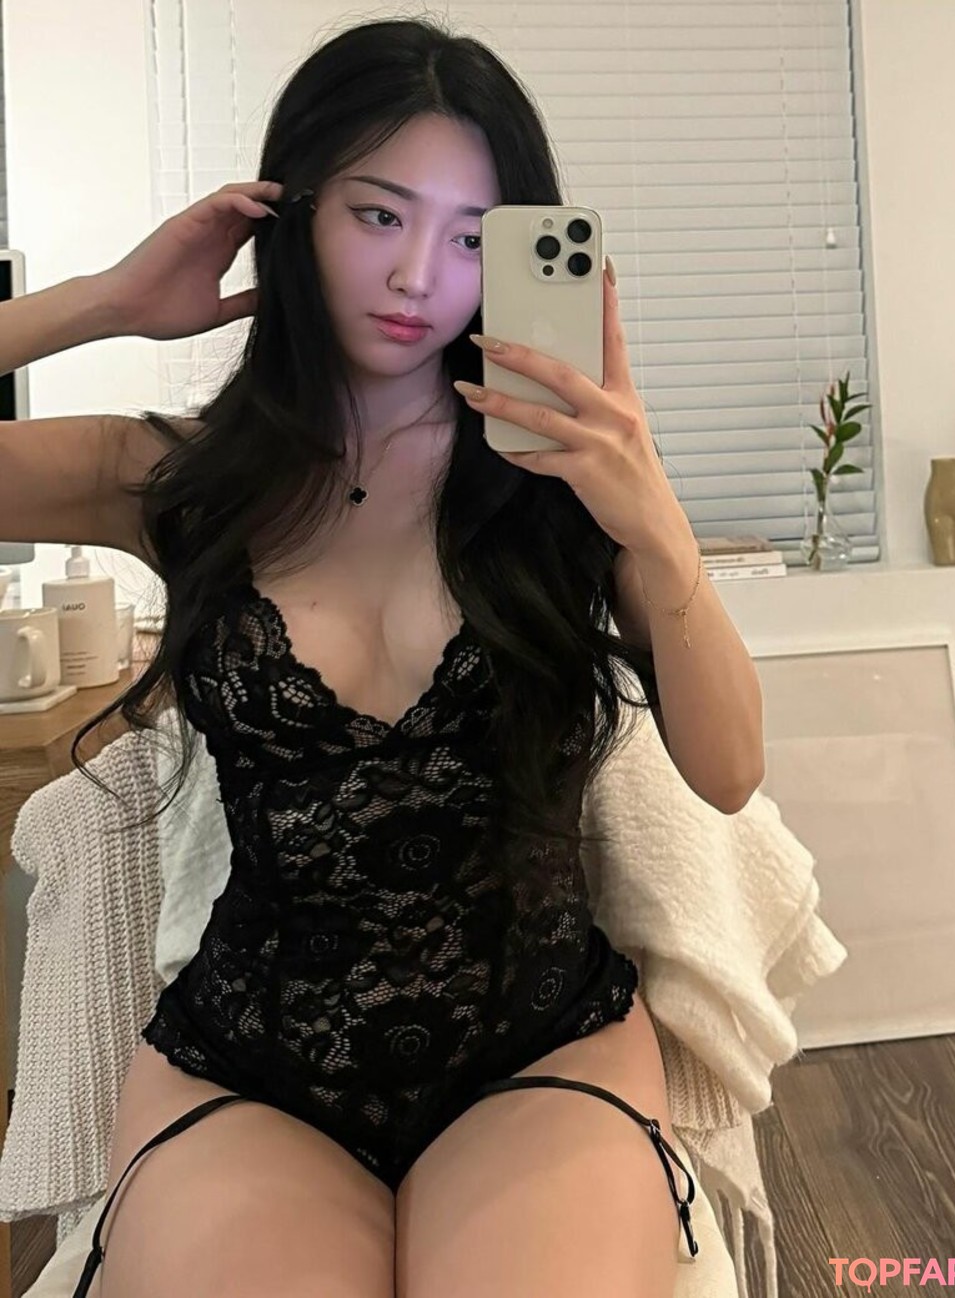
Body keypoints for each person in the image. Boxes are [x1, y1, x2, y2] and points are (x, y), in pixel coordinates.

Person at [0, 16, 707, 1297]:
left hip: (540, 1056)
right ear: (295, 213)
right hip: (251, 1070)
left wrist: (653, 517)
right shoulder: (174, 479)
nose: (418, 275)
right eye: (379, 215)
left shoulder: (569, 484)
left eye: (472, 237)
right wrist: (106, 300)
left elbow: (732, 766)